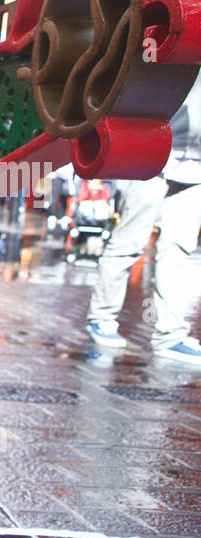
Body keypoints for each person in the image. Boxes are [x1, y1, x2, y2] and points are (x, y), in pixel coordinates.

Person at [86, 79, 201, 365]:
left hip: (197, 166)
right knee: (129, 242)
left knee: (179, 251)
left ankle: (170, 336)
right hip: (153, 152)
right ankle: (102, 317)